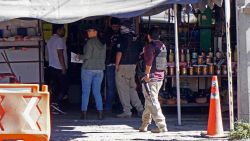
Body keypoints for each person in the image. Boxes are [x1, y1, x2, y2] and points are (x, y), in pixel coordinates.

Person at [111, 18, 144, 118]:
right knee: (132, 88)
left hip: (123, 66)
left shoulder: (122, 37)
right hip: (133, 66)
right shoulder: (136, 38)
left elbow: (119, 52)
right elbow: (141, 52)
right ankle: (140, 109)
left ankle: (127, 111)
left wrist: (117, 65)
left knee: (123, 89)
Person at [139, 27, 168, 133]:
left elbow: (149, 62)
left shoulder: (149, 47)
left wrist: (146, 74)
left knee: (152, 101)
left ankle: (162, 125)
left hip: (151, 77)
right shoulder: (162, 46)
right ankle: (144, 125)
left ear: (148, 36)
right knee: (149, 101)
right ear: (159, 36)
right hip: (160, 77)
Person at [79, 25, 106, 120]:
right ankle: (100, 113)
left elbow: (87, 56)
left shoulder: (90, 42)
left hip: (88, 69)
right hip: (100, 69)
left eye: (90, 31)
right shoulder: (103, 43)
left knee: (86, 92)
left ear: (95, 32)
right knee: (97, 92)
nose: (88, 32)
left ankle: (84, 113)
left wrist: (79, 57)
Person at [46, 24, 68, 113]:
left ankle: (53, 105)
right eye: (63, 29)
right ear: (58, 30)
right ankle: (56, 104)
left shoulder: (50, 40)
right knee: (63, 88)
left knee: (54, 87)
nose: (64, 31)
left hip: (51, 66)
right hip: (59, 67)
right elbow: (60, 54)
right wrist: (63, 67)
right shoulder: (59, 40)